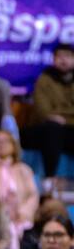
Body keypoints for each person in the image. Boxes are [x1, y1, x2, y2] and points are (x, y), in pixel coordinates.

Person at [25, 42, 74, 186]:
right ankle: (49, 179)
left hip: (69, 130)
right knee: (53, 129)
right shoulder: (44, 79)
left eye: (68, 56)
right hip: (46, 130)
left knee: (57, 129)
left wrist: (62, 117)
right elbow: (43, 111)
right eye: (59, 56)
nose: (63, 60)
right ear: (53, 59)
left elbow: (53, 114)